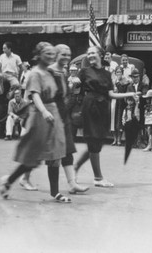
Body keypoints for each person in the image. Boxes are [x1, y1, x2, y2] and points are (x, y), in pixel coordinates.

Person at [0, 42, 70, 203]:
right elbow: (35, 95)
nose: (51, 56)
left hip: (54, 114)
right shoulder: (35, 73)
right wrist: (44, 111)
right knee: (33, 158)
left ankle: (55, 192)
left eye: (53, 54)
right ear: (38, 55)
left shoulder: (50, 72)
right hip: (40, 115)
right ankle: (8, 181)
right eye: (47, 53)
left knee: (56, 154)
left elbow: (58, 93)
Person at [71, 46, 139, 187]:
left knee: (98, 142)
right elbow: (75, 86)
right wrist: (74, 83)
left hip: (102, 109)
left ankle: (76, 167)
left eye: (92, 53)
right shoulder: (84, 71)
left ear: (100, 55)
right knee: (93, 142)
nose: (90, 55)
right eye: (88, 53)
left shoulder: (107, 74)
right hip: (89, 107)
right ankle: (98, 177)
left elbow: (111, 94)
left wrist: (129, 94)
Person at [50, 44, 89, 195]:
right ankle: (13, 179)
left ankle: (72, 184)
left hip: (63, 114)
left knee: (67, 150)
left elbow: (66, 94)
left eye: (68, 54)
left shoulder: (64, 71)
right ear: (56, 55)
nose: (66, 57)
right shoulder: (50, 71)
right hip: (52, 115)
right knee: (37, 153)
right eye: (63, 54)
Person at [112, 66, 130, 146]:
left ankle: (119, 139)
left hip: (120, 102)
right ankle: (114, 139)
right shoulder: (113, 81)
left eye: (119, 72)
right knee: (113, 120)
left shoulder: (125, 81)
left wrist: (118, 83)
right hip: (113, 101)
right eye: (117, 72)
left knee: (119, 120)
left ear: (122, 73)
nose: (118, 73)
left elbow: (123, 91)